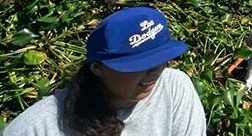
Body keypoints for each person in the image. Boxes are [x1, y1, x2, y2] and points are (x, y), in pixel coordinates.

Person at [1, 7, 205, 136]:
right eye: (138, 65)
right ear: (98, 68)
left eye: (161, 59)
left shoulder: (174, 88)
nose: (155, 70)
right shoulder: (38, 127)